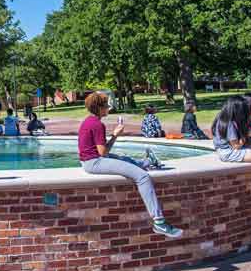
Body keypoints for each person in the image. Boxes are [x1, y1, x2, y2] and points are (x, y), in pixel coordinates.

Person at [78, 92, 183, 238]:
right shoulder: (97, 124)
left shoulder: (89, 121)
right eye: (107, 106)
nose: (109, 108)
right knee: (143, 177)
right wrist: (115, 135)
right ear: (99, 108)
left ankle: (148, 162)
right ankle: (159, 222)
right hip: (94, 163)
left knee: (124, 159)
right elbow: (102, 152)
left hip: (89, 160)